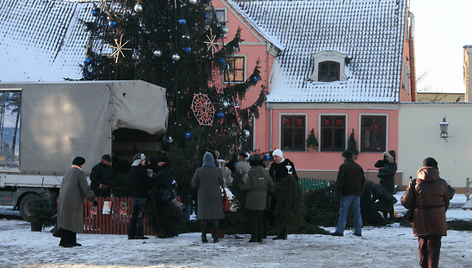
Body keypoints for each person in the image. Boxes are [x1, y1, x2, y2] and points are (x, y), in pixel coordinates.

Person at [401, 157, 449, 268]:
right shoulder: (442, 183)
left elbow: (406, 203)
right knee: (434, 249)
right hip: (437, 220)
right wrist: (440, 213)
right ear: (436, 168)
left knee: (422, 245)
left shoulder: (414, 183)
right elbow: (446, 203)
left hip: (420, 221)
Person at [57, 156, 97, 247]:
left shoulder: (68, 172)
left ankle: (71, 241)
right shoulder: (80, 173)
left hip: (64, 198)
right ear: (81, 164)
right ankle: (65, 242)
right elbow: (85, 188)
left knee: (68, 219)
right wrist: (93, 199)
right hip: (74, 199)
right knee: (72, 219)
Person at [191, 152, 225, 243]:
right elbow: (222, 183)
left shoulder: (199, 170)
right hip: (215, 196)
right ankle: (216, 237)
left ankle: (204, 237)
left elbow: (193, 184)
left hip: (203, 197)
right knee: (215, 217)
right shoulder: (217, 170)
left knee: (204, 217)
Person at [331, 150, 366, 237]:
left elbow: (340, 180)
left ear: (345, 157)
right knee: (357, 212)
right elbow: (363, 180)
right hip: (356, 192)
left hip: (346, 192)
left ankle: (340, 230)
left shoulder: (344, 166)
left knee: (343, 211)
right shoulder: (358, 167)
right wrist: (360, 191)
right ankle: (358, 231)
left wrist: (337, 192)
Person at [240, 154, 274, 243]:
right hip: (263, 198)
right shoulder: (265, 171)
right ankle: (260, 237)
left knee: (253, 219)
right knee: (260, 218)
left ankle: (254, 237)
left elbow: (247, 186)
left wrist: (241, 189)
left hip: (251, 198)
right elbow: (271, 184)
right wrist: (264, 190)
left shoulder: (251, 172)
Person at [268, 148, 297, 240]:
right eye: (274, 157)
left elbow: (293, 177)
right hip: (275, 192)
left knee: (283, 213)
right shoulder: (273, 166)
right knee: (276, 212)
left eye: (276, 157)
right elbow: (270, 177)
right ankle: (278, 232)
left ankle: (283, 232)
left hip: (285, 192)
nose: (275, 159)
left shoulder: (288, 165)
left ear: (280, 156)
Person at [128, 153, 154, 240]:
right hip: (142, 194)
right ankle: (139, 233)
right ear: (139, 161)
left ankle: (131, 233)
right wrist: (151, 179)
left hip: (135, 194)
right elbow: (147, 182)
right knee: (140, 214)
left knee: (134, 214)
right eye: (143, 160)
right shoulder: (142, 170)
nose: (144, 161)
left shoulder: (132, 170)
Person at [154, 154, 175, 238]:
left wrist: (155, 179)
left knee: (164, 212)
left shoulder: (167, 170)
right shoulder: (165, 169)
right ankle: (166, 231)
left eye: (159, 162)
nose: (158, 164)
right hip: (162, 193)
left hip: (163, 193)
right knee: (163, 212)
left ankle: (166, 231)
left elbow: (166, 182)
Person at [374, 150, 397, 223]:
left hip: (389, 185)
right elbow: (376, 164)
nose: (386, 158)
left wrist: (380, 174)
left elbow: (389, 174)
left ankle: (391, 218)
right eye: (385, 157)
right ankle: (385, 217)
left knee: (389, 200)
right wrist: (383, 160)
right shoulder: (385, 163)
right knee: (383, 200)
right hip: (382, 184)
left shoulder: (393, 165)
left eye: (387, 157)